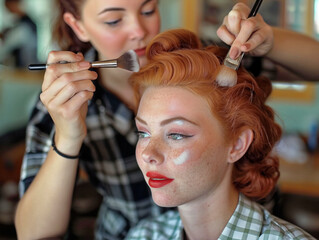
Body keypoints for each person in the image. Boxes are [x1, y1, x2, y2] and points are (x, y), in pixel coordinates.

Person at [14, 0, 319, 239]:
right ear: (77, 26)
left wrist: (270, 40)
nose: (139, 31)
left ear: (237, 143)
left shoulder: (207, 62)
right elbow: (35, 234)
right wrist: (68, 136)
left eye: (148, 9)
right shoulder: (61, 104)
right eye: (114, 20)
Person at [126, 28, 315, 240]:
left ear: (237, 144)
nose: (148, 154)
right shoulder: (143, 235)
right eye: (143, 132)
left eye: (176, 135)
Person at [0, 0, 38, 68]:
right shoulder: (26, 21)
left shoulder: (25, 25)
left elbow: (6, 47)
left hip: (27, 67)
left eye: (8, 7)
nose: (8, 11)